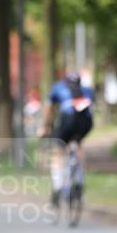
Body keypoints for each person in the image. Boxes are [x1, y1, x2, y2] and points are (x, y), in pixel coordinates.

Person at [37, 70, 94, 206]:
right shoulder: (87, 90)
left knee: (58, 151)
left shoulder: (58, 87)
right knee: (78, 145)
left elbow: (48, 108)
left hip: (67, 120)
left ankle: (57, 187)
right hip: (86, 122)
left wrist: (44, 126)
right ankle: (79, 182)